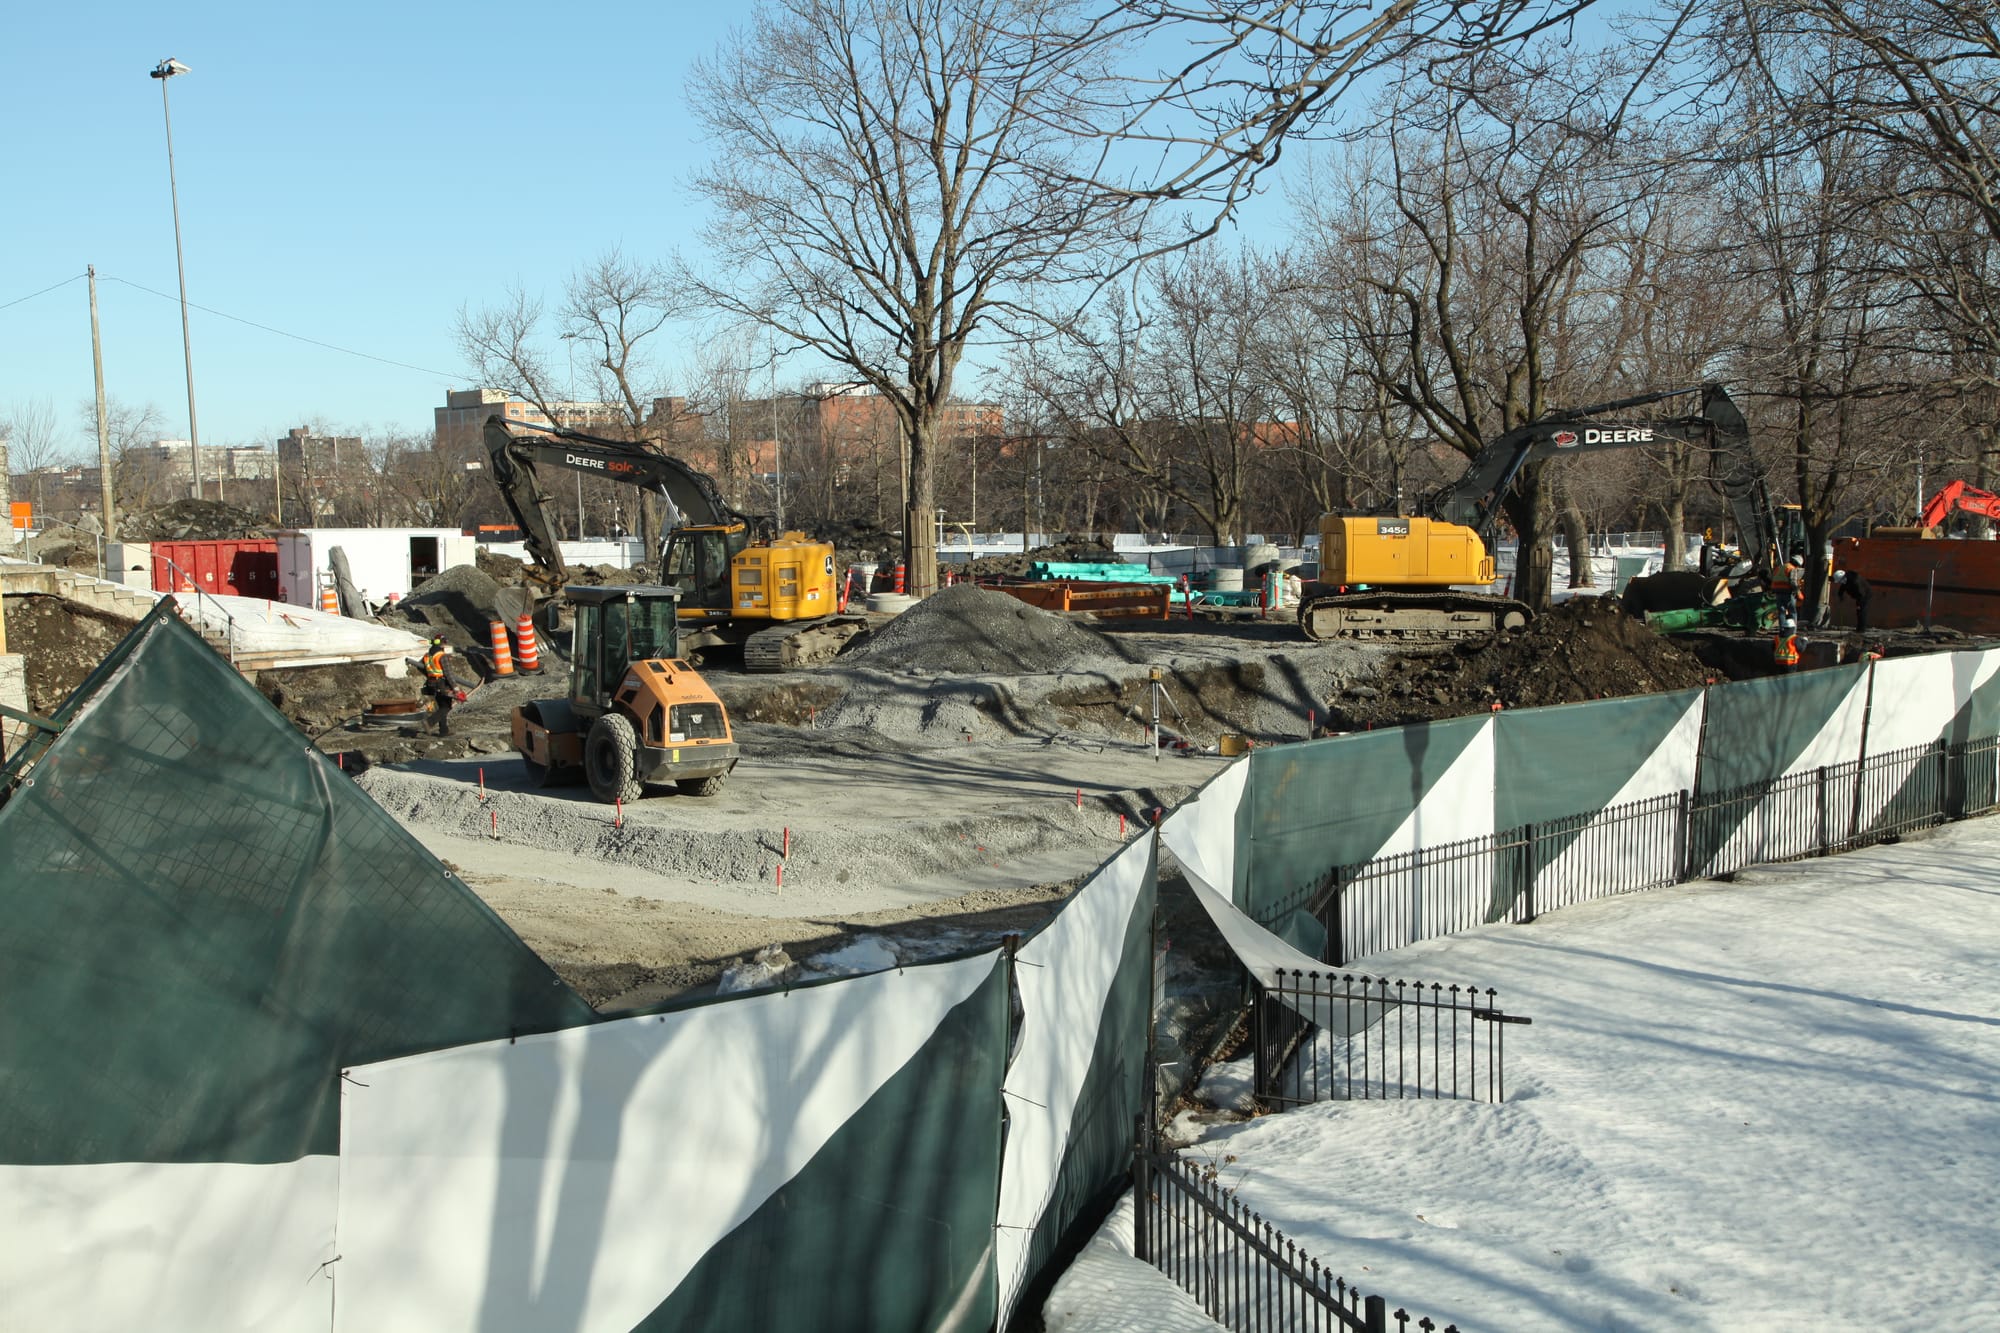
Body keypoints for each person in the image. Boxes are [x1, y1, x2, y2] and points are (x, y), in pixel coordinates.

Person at [420, 636, 468, 736]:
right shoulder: (442, 656)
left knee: (442, 705)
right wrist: (455, 688)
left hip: (431, 683)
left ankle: (443, 730)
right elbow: (448, 674)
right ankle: (429, 722)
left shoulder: (427, 655)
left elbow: (424, 669)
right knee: (447, 707)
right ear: (442, 643)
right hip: (442, 683)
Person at [1831, 568, 1873, 636]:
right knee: (1859, 611)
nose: (1840, 583)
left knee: (1861, 611)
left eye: (1839, 581)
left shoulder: (1855, 581)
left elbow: (1861, 594)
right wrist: (1840, 595)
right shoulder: (1846, 579)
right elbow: (1843, 587)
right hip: (1860, 595)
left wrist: (1859, 604)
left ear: (1842, 578)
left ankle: (1861, 630)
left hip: (1865, 595)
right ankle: (1859, 629)